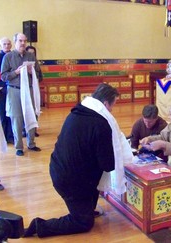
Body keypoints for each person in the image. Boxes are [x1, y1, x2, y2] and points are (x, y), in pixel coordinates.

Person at [23, 83, 132, 238]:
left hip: (59, 168)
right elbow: (107, 165)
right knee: (83, 223)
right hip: (70, 180)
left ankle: (86, 209)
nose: (112, 111)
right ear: (106, 103)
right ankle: (40, 226)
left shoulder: (79, 111)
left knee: (94, 184)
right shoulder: (101, 123)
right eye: (112, 106)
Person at [1, 33, 42, 156]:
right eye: (20, 41)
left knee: (31, 115)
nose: (23, 43)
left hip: (29, 90)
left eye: (25, 41)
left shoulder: (31, 56)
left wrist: (31, 72)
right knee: (17, 118)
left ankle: (31, 143)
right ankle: (19, 146)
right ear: (15, 42)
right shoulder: (8, 57)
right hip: (14, 90)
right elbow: (3, 76)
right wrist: (16, 72)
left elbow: (40, 76)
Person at [0, 37, 14, 144]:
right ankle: (4, 137)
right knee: (2, 114)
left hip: (13, 88)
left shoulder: (15, 56)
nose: (7, 46)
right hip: (1, 90)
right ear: (1, 46)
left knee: (12, 114)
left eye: (8, 44)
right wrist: (8, 75)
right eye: (4, 44)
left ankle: (11, 136)